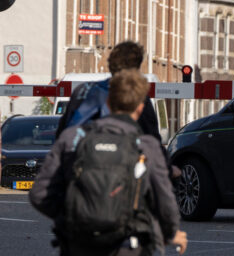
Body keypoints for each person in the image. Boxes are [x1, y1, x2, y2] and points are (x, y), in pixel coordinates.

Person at [31, 69, 188, 256]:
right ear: (140, 107)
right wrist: (169, 233)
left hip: (78, 244)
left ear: (106, 102)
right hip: (128, 245)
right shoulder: (147, 146)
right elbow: (165, 203)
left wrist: (72, 218)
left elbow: (40, 193)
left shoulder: (73, 138)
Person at [56, 42, 162, 145]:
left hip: (81, 158)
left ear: (110, 64)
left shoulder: (84, 90)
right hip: (124, 159)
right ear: (137, 68)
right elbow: (152, 139)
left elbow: (62, 134)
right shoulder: (137, 96)